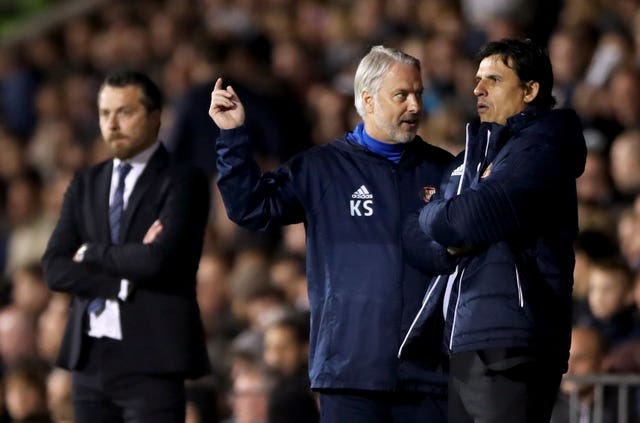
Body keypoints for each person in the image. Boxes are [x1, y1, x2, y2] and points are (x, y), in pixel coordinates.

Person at [209, 45, 454, 422]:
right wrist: (233, 138)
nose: (415, 106)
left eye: (418, 93)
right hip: (349, 374)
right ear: (368, 101)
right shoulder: (322, 169)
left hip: (427, 375)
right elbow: (250, 208)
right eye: (401, 95)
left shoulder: (442, 170)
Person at [400, 38, 587, 422]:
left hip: (513, 339)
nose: (477, 89)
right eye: (477, 79)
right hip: (468, 336)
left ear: (530, 90)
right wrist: (448, 242)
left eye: (494, 80)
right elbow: (413, 237)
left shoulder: (543, 146)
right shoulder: (478, 154)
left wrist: (439, 218)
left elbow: (465, 218)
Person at [41, 70, 211, 423]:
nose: (112, 123)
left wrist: (91, 253)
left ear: (154, 116)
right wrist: (116, 283)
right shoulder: (86, 182)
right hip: (88, 358)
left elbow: (158, 260)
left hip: (154, 358)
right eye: (105, 113)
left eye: (125, 112)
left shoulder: (183, 180)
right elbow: (54, 267)